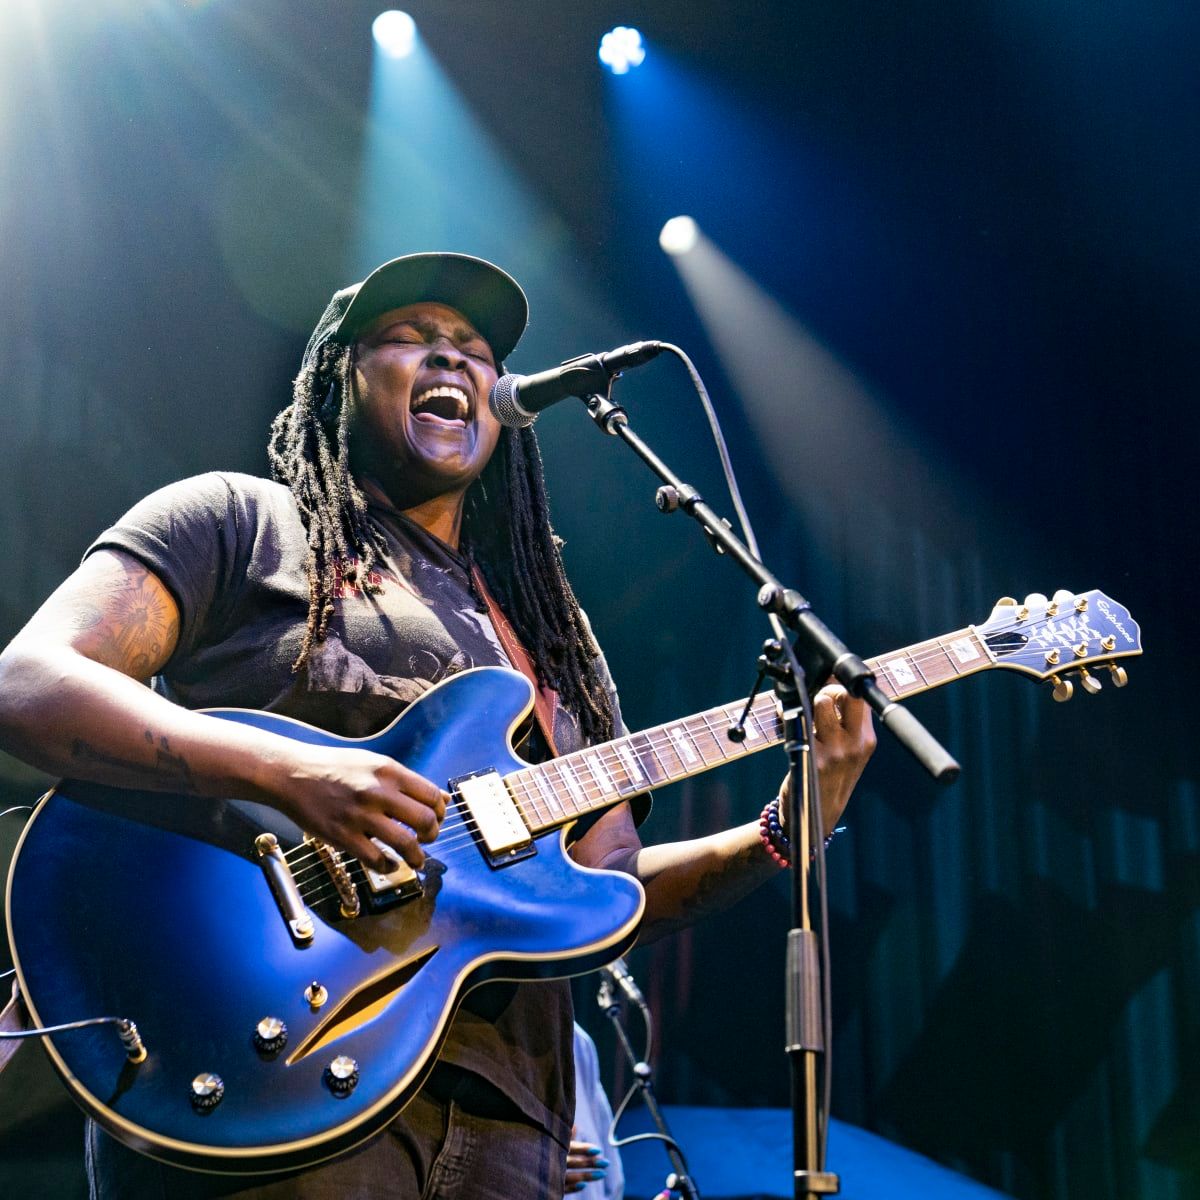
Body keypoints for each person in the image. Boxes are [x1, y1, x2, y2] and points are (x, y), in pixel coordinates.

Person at [0, 252, 874, 1198]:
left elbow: (612, 890)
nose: (453, 361)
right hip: (259, 1075)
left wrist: (791, 822)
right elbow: (31, 684)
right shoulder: (240, 522)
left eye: (474, 349)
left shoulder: (546, 636)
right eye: (414, 337)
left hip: (509, 1126)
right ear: (343, 372)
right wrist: (291, 774)